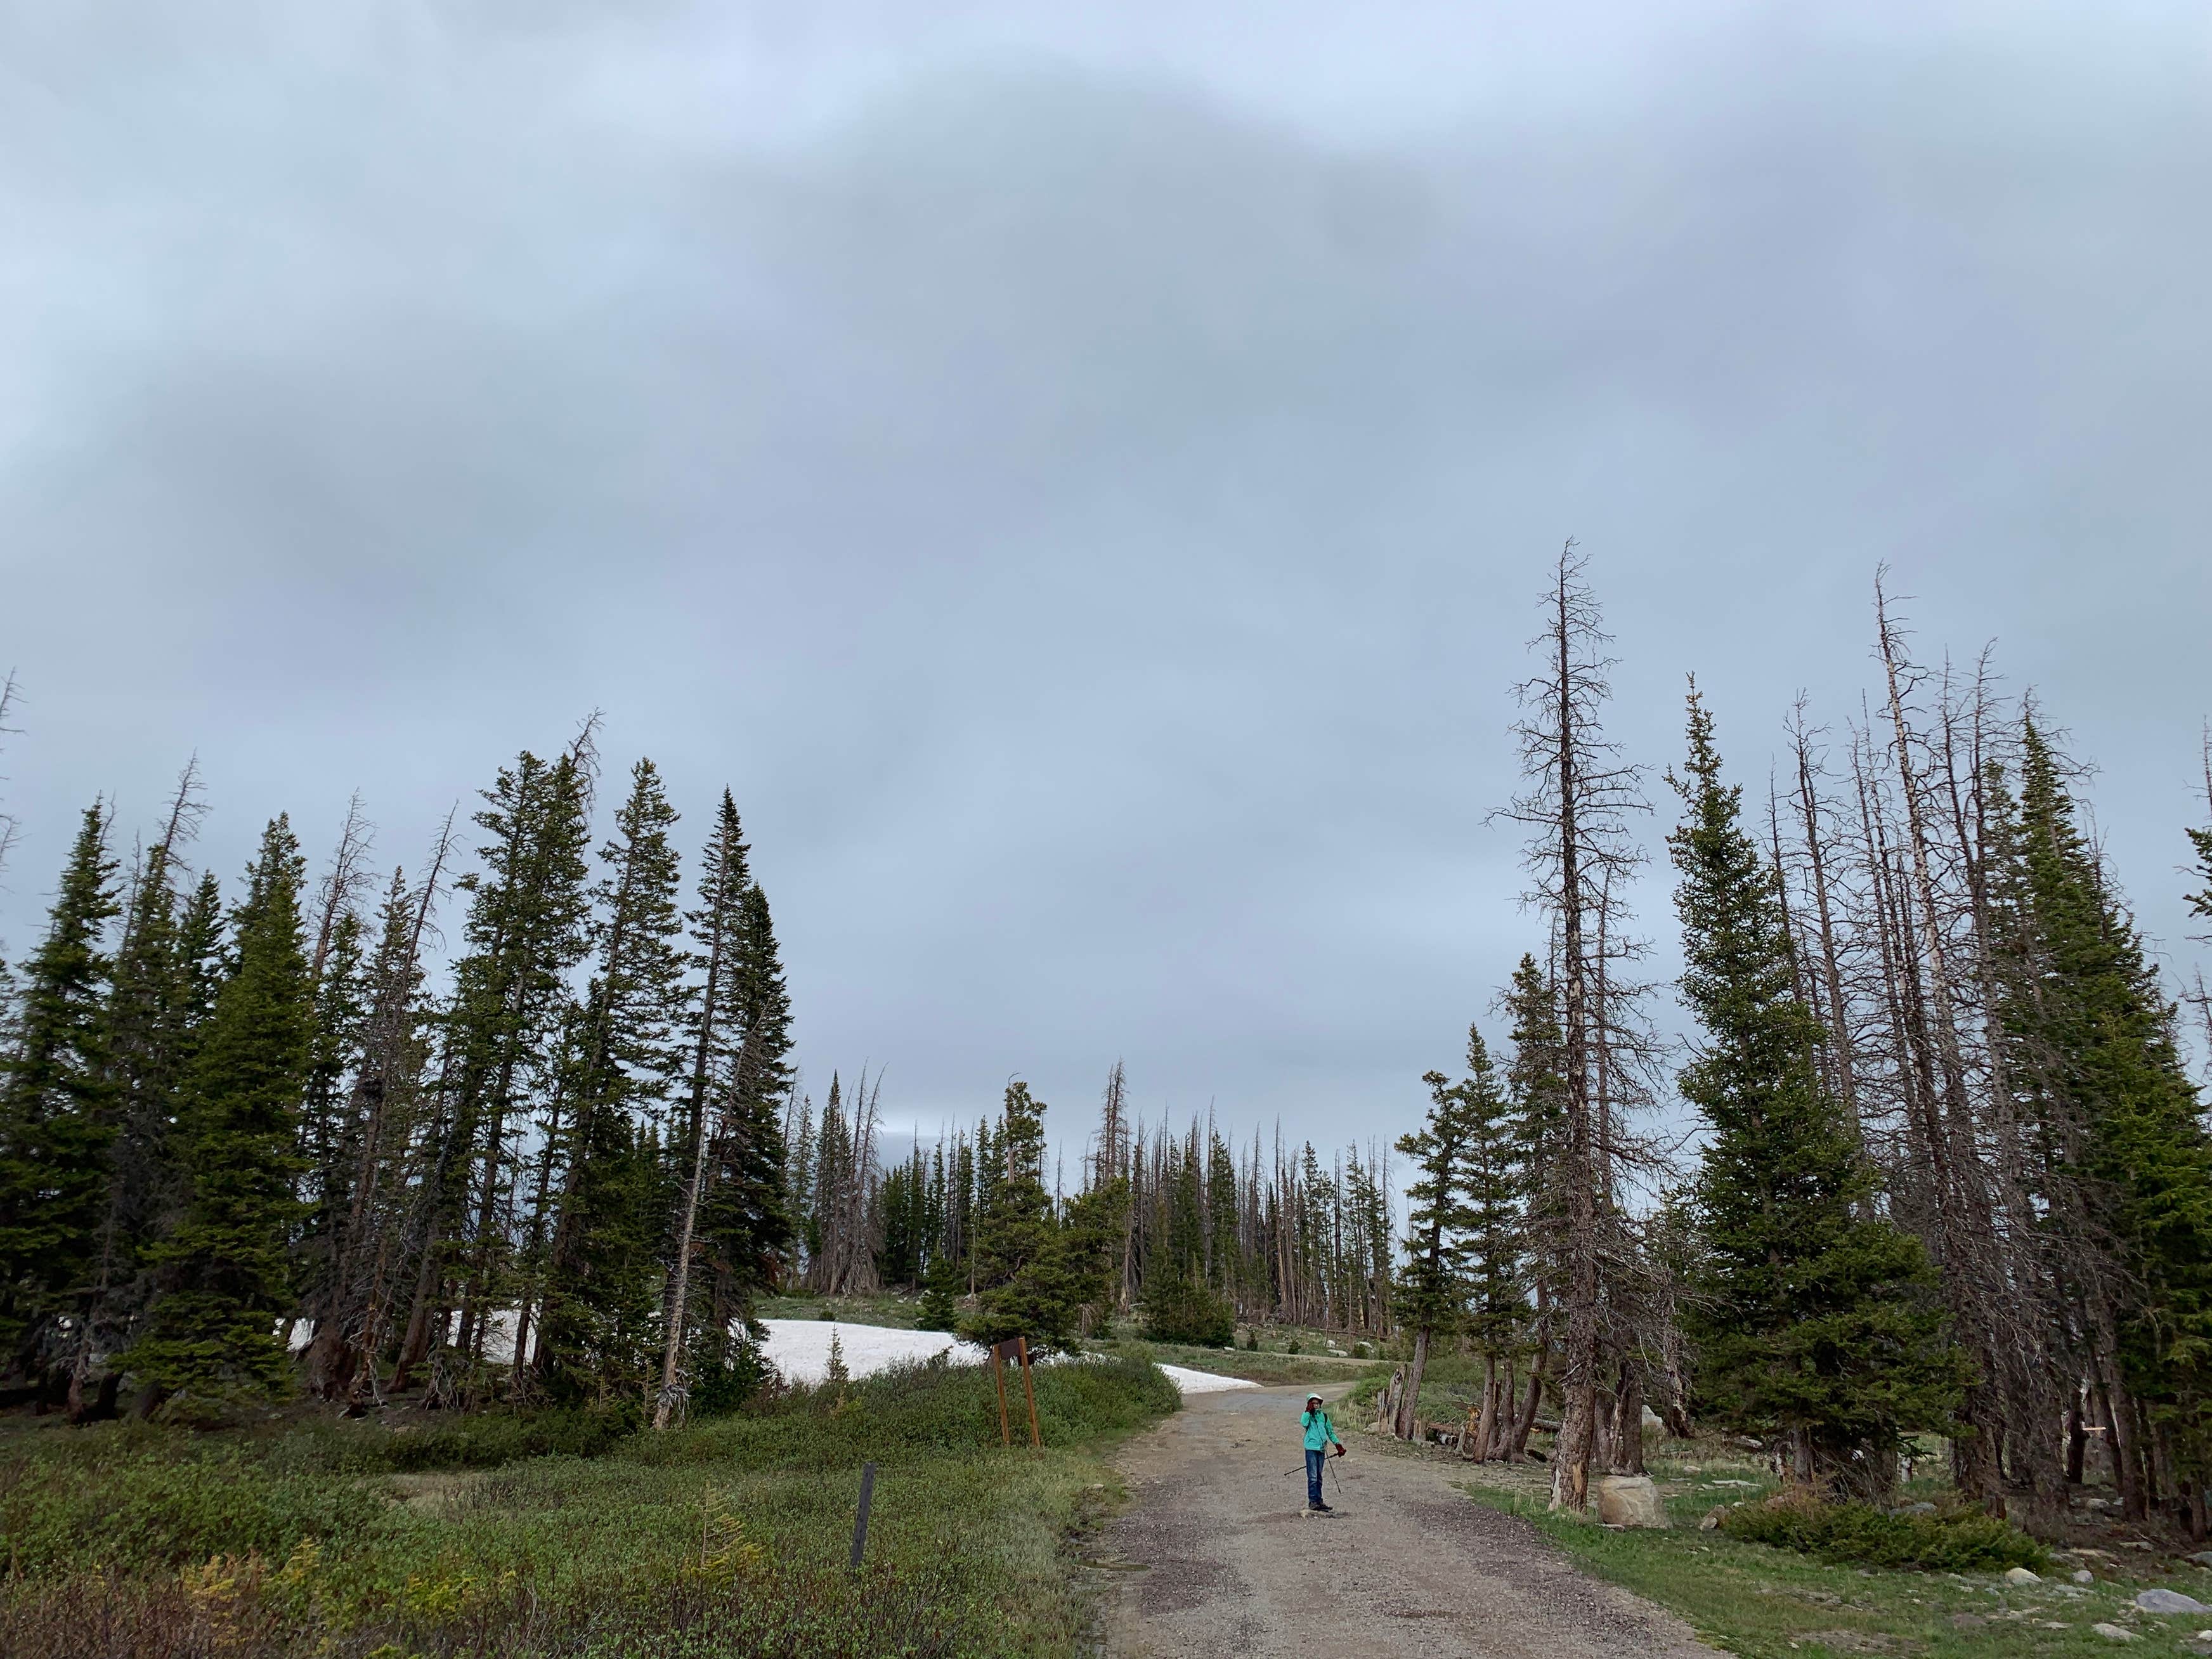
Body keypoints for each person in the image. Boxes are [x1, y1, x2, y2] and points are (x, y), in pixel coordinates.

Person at [1301, 1391, 1344, 1513]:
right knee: (1313, 1476)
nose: (1315, 1405)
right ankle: (1313, 1502)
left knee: (1319, 1477)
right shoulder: (1308, 1415)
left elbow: (1330, 1432)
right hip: (1311, 1449)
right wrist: (1308, 1412)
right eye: (1313, 1403)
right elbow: (1303, 1423)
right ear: (1310, 1404)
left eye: (1317, 1403)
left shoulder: (1324, 1417)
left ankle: (1319, 1501)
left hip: (1321, 1450)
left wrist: (1338, 1445)